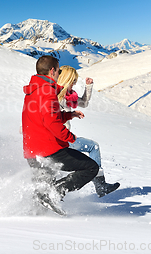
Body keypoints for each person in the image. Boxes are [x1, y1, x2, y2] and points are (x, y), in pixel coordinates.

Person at [22, 55, 99, 215]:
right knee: (91, 167)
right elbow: (52, 123)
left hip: (32, 151)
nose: (59, 74)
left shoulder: (34, 90)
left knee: (42, 190)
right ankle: (53, 193)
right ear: (52, 71)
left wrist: (68, 116)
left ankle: (34, 216)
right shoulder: (47, 92)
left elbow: (43, 117)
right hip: (49, 150)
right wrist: (70, 137)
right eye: (58, 71)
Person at [57, 65, 119, 198]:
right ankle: (100, 186)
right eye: (72, 81)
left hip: (66, 137)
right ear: (65, 80)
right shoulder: (57, 97)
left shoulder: (69, 96)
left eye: (74, 81)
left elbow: (84, 103)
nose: (73, 84)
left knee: (93, 147)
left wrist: (88, 87)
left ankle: (99, 185)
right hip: (62, 139)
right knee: (93, 146)